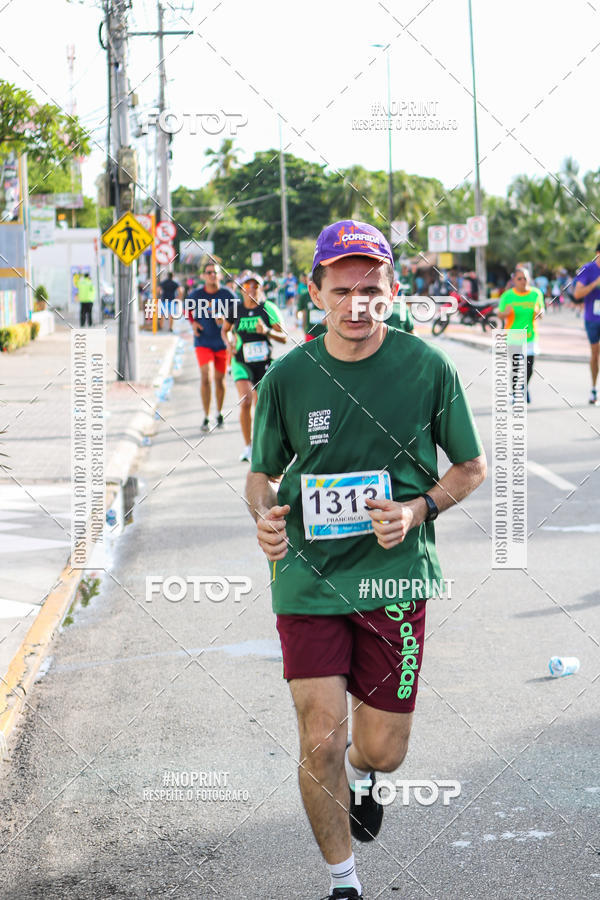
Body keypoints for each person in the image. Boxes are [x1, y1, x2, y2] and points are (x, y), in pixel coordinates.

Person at [245, 219, 486, 900]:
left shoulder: (427, 367)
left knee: (383, 749)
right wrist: (264, 516)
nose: (358, 305)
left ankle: (365, 772)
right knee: (319, 737)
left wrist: (418, 510)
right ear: (315, 292)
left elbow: (470, 467)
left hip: (394, 578)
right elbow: (261, 477)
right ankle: (343, 882)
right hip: (308, 578)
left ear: (393, 290)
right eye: (342, 290)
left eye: (372, 290)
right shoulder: (289, 377)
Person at [223, 273, 286, 461]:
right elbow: (225, 330)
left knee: (261, 406)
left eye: (256, 286)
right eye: (247, 286)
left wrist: (267, 331)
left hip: (263, 363)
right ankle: (248, 447)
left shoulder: (268, 308)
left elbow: (283, 337)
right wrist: (229, 344)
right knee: (246, 401)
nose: (252, 289)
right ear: (241, 289)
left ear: (261, 289)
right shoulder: (235, 309)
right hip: (241, 362)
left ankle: (260, 444)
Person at [187, 262, 235, 432]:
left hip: (221, 343)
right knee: (206, 377)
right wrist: (193, 323)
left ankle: (219, 413)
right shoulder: (196, 295)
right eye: (208, 273)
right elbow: (187, 310)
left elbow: (237, 314)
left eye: (215, 272)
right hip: (203, 341)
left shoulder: (228, 295)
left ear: (220, 275)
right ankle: (206, 417)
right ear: (203, 276)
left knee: (220, 380)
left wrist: (227, 321)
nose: (212, 275)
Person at [497, 268, 544, 404]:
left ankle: (524, 387)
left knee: (529, 367)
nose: (523, 281)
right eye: (519, 279)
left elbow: (542, 312)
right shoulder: (507, 295)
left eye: (525, 278)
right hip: (514, 335)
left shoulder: (536, 293)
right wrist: (505, 313)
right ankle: (513, 392)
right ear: (514, 280)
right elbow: (500, 314)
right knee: (517, 366)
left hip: (530, 335)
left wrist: (539, 312)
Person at [573, 242, 600, 404]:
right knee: (595, 354)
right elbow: (577, 294)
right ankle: (593, 388)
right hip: (592, 319)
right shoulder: (588, 269)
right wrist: (595, 283)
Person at [296, 273, 327, 341]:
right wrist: (301, 325)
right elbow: (301, 311)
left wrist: (327, 318)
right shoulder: (304, 296)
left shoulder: (325, 295)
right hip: (310, 332)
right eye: (310, 280)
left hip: (324, 332)